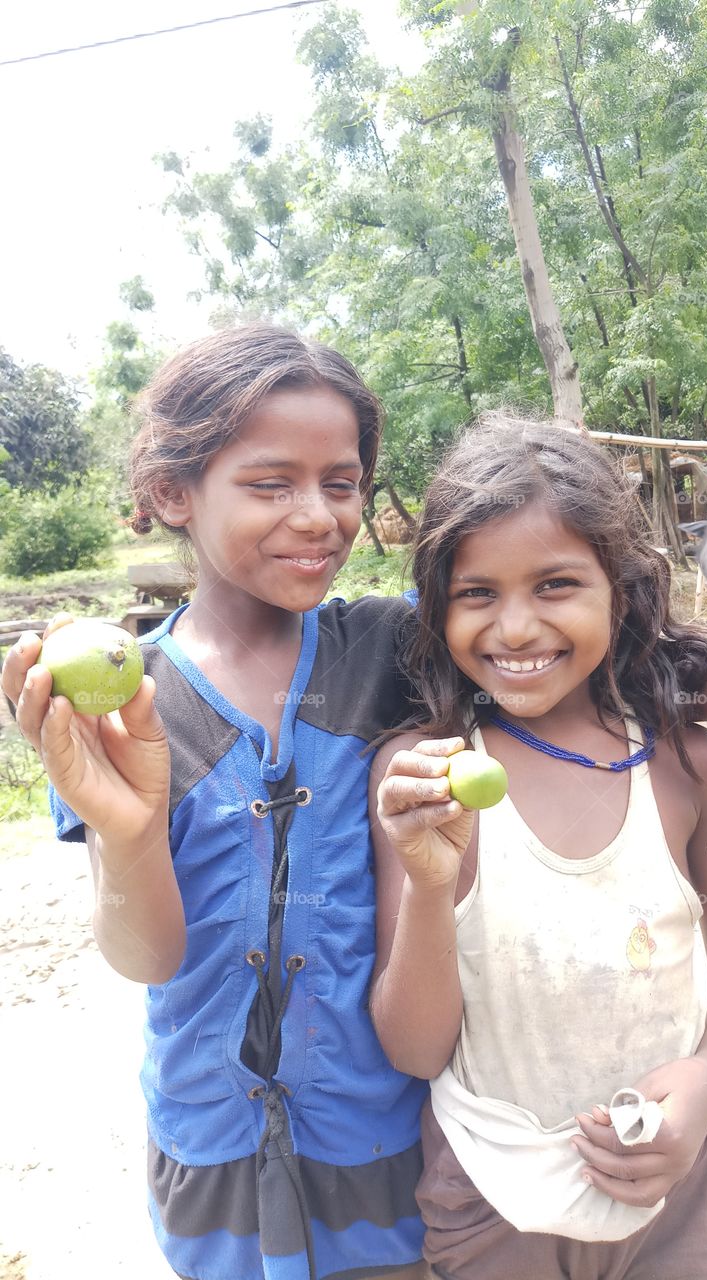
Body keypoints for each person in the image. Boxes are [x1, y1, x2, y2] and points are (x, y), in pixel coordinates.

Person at [1, 325, 429, 1280]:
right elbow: (144, 954)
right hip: (210, 1139)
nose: (318, 516)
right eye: (271, 484)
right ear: (170, 494)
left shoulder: (388, 655)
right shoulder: (129, 699)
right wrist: (127, 828)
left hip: (379, 1130)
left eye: (342, 482)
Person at [369, 414, 707, 1280]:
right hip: (496, 1203)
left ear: (623, 592)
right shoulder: (427, 778)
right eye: (476, 592)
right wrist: (425, 881)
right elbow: (415, 1051)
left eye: (556, 584)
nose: (516, 628)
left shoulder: (688, 763)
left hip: (686, 1192)